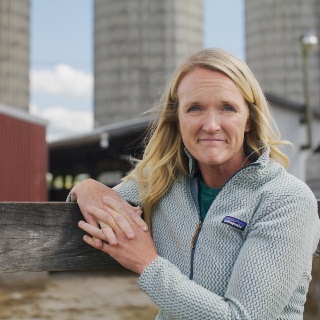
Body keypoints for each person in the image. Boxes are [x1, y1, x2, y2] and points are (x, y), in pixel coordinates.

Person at [69, 48, 320, 319]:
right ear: (178, 120)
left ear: (249, 119)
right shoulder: (161, 182)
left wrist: (147, 263)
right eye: (195, 108)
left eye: (227, 108)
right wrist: (85, 188)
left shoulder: (286, 200)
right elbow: (104, 202)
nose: (211, 125)